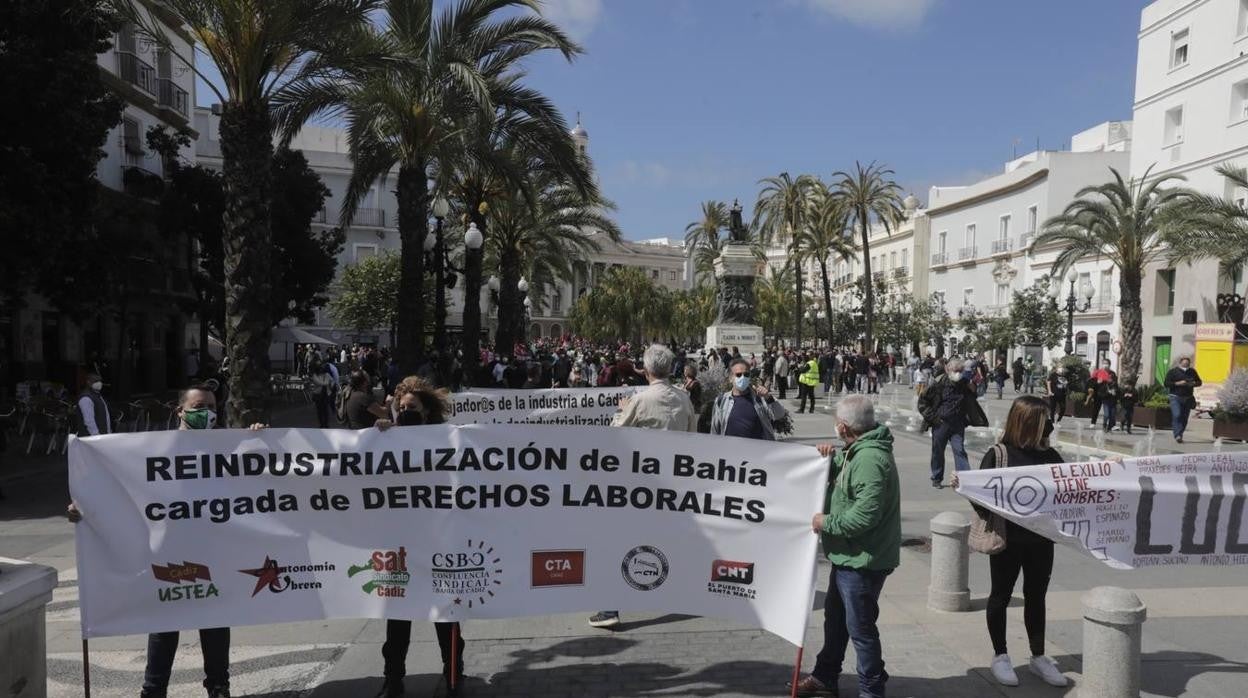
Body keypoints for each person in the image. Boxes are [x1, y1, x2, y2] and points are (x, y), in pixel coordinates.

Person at [69, 385, 265, 698]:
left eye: (213, 406)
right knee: (164, 622)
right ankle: (154, 689)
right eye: (200, 405)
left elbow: (262, 478)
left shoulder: (224, 446)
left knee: (215, 620)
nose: (208, 413)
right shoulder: (149, 450)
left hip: (212, 549)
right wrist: (86, 507)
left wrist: (264, 439)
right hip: (166, 551)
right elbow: (119, 488)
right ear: (180, 411)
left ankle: (218, 686)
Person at [952, 395, 1069, 689]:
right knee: (1000, 595)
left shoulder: (1050, 456)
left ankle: (1038, 656)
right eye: (1045, 421)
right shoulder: (999, 454)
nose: (1051, 426)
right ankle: (1001, 654)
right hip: (1007, 539)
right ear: (1029, 423)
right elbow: (983, 503)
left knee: (1036, 596)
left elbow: (1072, 489)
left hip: (1042, 540)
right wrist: (966, 488)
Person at [790, 396, 900, 698]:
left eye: (836, 422)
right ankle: (826, 676)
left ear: (844, 426)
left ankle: (872, 690)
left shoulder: (869, 459)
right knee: (837, 621)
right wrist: (828, 461)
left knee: (861, 630)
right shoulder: (856, 452)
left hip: (864, 560)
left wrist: (825, 522)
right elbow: (845, 481)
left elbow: (865, 515)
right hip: (849, 556)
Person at [590, 344, 697, 629]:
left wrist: (621, 411)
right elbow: (693, 440)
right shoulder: (684, 399)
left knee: (616, 543)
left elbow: (615, 435)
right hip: (672, 486)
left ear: (647, 369)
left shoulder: (640, 399)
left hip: (640, 487)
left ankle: (609, 607)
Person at [371, 377, 465, 697]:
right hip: (400, 543)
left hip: (439, 540)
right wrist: (382, 435)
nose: (407, 411)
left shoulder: (447, 439)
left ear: (428, 410)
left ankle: (453, 672)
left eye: (414, 407)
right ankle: (393, 678)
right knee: (399, 615)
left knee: (445, 613)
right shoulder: (386, 438)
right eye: (403, 407)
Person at [918, 358, 987, 488]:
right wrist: (933, 418)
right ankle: (936, 477)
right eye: (956, 370)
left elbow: (974, 397)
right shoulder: (938, 383)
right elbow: (923, 402)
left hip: (958, 424)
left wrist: (973, 389)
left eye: (960, 370)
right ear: (948, 370)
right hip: (941, 423)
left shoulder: (964, 383)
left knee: (959, 450)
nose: (958, 373)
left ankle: (965, 479)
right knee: (938, 451)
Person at [710, 358, 788, 440]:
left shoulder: (760, 398)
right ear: (730, 378)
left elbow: (779, 414)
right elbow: (715, 430)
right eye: (738, 375)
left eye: (746, 375)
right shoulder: (721, 401)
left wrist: (768, 397)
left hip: (757, 449)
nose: (743, 378)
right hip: (731, 450)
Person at [1165, 356, 1202, 443]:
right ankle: (1177, 434)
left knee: (1184, 418)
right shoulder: (1173, 372)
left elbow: (1199, 382)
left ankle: (1179, 435)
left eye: (1187, 363)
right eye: (1184, 363)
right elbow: (1166, 383)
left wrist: (1193, 383)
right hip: (1175, 396)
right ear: (1180, 363)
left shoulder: (1192, 371)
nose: (1186, 365)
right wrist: (1177, 383)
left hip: (1188, 398)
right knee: (1177, 415)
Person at [1087, 359, 1116, 428]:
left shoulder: (1112, 373)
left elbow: (1114, 383)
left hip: (1108, 394)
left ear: (1109, 365)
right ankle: (1093, 422)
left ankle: (1111, 424)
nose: (1105, 365)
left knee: (1109, 410)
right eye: (1104, 363)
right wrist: (1097, 383)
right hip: (1098, 393)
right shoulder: (1097, 372)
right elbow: (1091, 382)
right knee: (1096, 408)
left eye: (1107, 363)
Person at [309, 362, 334, 428]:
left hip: (326, 394)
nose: (321, 370)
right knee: (319, 410)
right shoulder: (315, 375)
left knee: (326, 410)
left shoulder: (327, 374)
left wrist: (330, 384)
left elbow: (332, 381)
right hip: (318, 395)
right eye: (320, 368)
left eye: (322, 368)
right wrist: (327, 382)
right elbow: (319, 383)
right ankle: (321, 424)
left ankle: (326, 424)